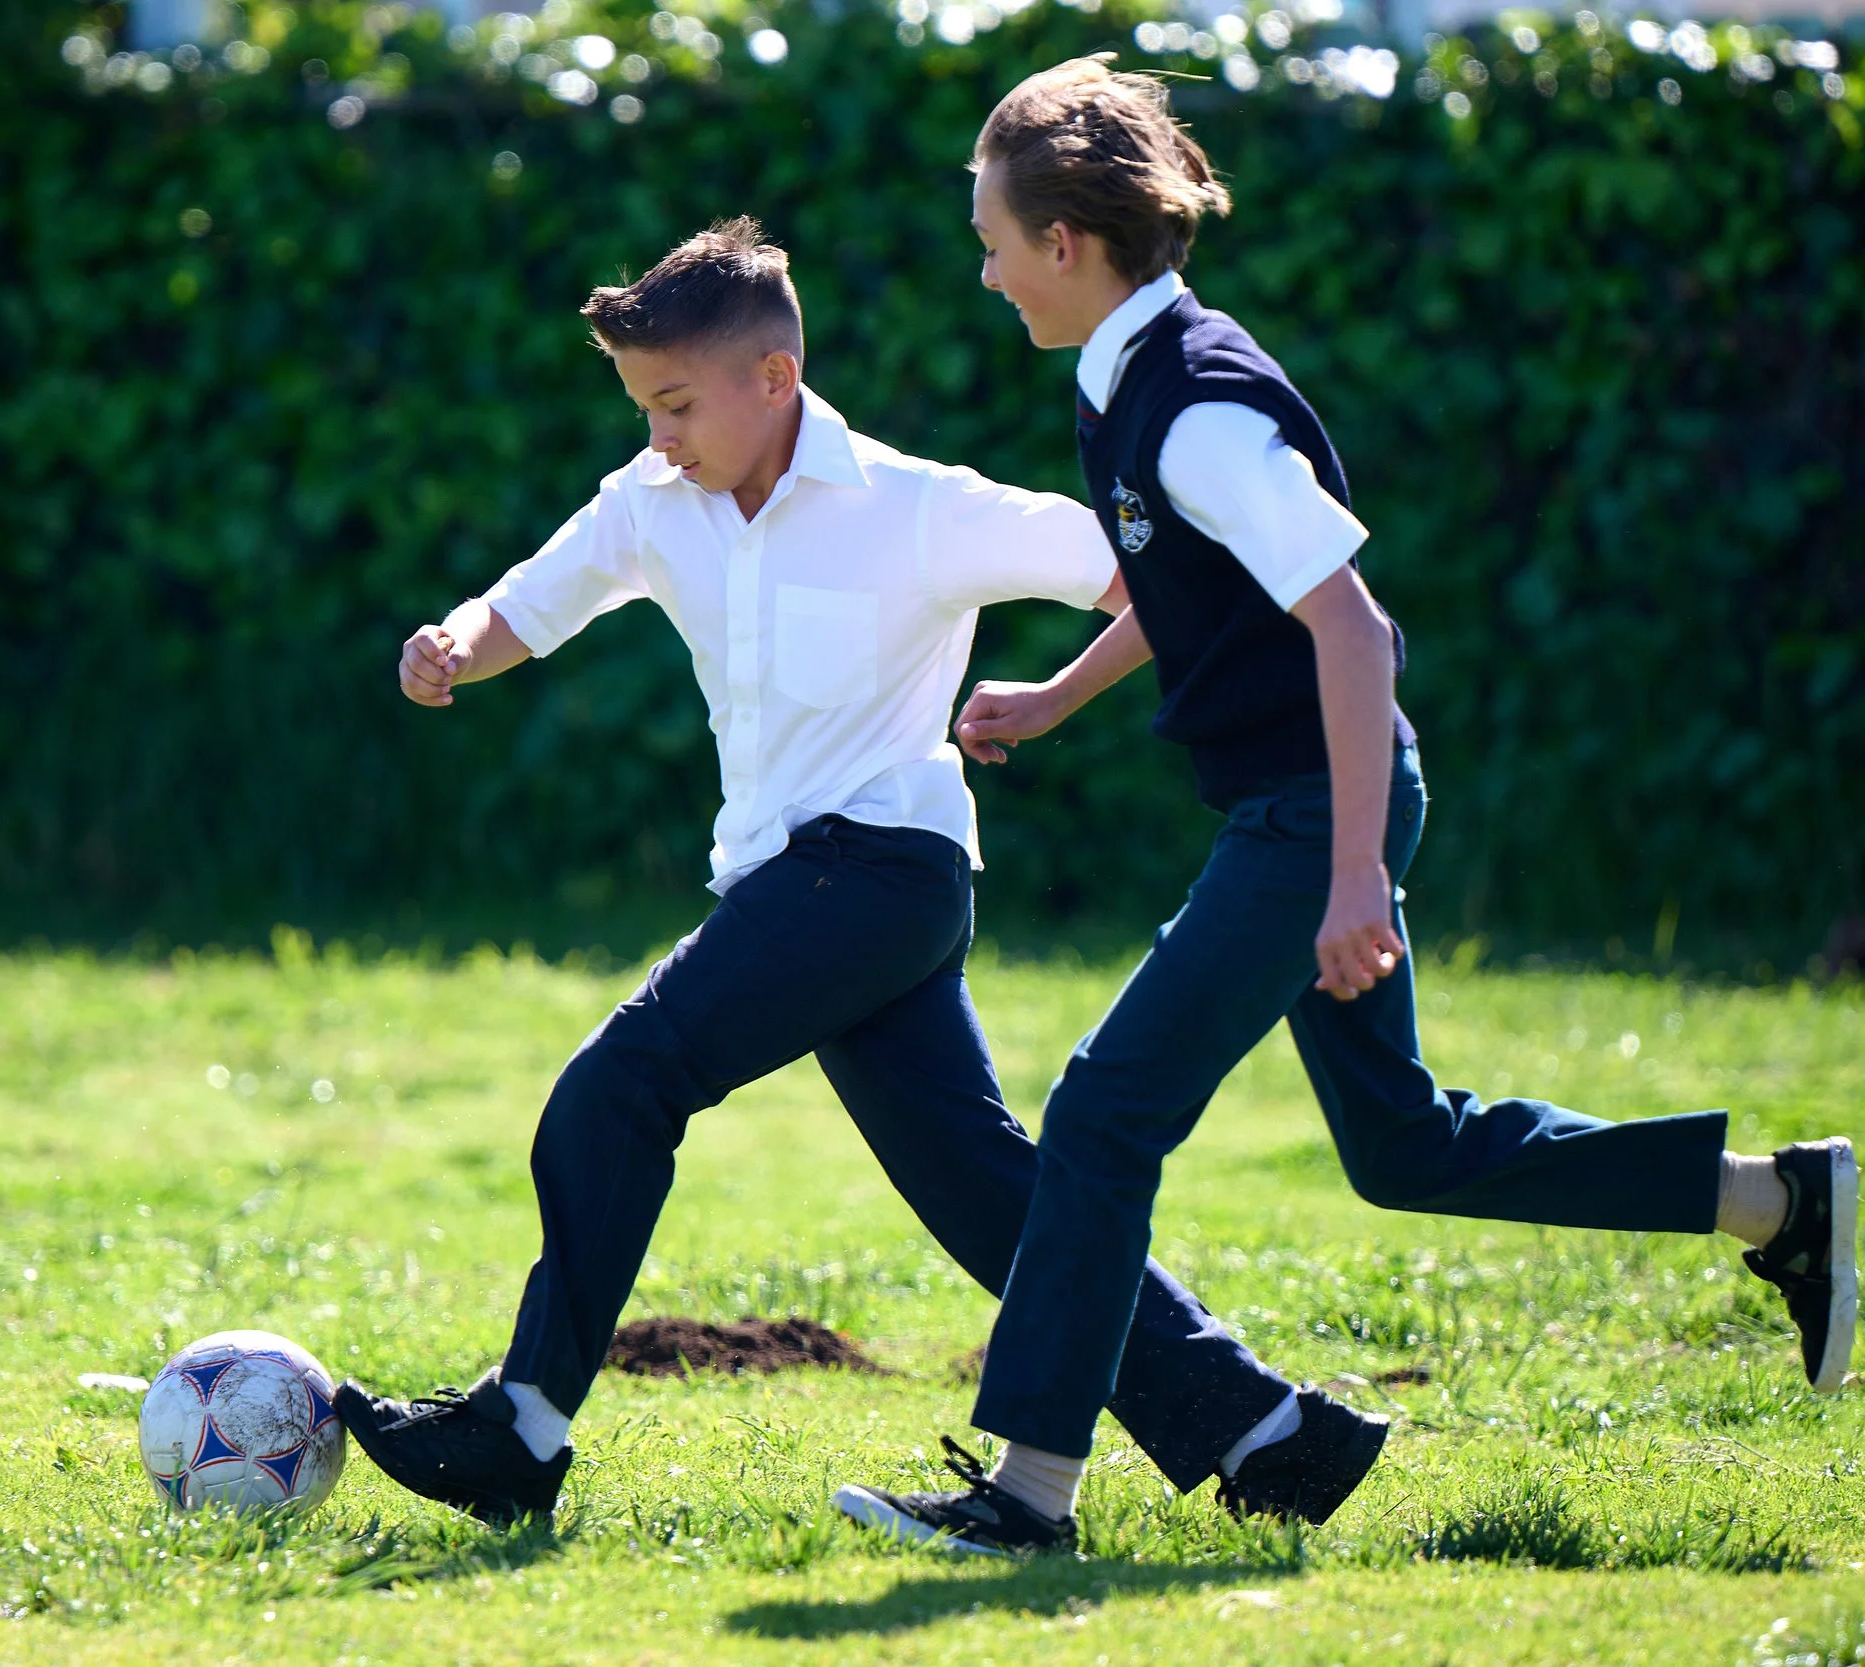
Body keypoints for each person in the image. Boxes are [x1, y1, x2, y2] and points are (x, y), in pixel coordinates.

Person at [829, 58, 1860, 1558]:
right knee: (1404, 1146)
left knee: (1107, 1110)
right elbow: (1196, 581)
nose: (983, 272)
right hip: (1303, 805)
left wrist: (1356, 873)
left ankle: (1029, 1495)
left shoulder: (1200, 411)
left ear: (1066, 242)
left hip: (1320, 809)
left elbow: (1355, 632)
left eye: (993, 239)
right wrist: (1058, 695)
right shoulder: (1126, 379)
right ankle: (1775, 1204)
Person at [335, 217, 1383, 1533]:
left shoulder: (921, 508)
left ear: (775, 379)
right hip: (801, 896)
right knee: (993, 1199)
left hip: (882, 876)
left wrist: (1057, 695)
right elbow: (525, 610)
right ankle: (1266, 1429)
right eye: (643, 408)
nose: (660, 435)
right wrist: (450, 645)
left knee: (618, 1085)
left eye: (676, 404)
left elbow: (1155, 576)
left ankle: (521, 1426)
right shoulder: (649, 505)